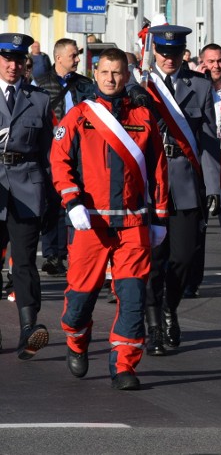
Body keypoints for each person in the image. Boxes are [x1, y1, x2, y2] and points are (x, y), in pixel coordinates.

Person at [50, 48, 169, 390]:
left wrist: (159, 218)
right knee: (79, 301)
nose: (111, 79)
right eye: (105, 72)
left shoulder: (144, 116)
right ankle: (76, 339)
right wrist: (71, 201)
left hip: (133, 225)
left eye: (118, 73)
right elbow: (59, 162)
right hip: (92, 224)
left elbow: (158, 170)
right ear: (96, 73)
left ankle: (124, 365)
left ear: (127, 76)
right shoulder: (79, 116)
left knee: (133, 299)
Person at [141, 25, 220, 356]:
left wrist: (212, 185)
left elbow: (208, 140)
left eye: (175, 53)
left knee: (184, 258)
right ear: (154, 51)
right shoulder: (141, 87)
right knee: (153, 261)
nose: (168, 58)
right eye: (163, 52)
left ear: (184, 53)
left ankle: (170, 306)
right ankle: (155, 324)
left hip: (186, 182)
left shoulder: (198, 86)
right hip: (150, 183)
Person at [0, 32, 55, 360]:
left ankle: (28, 328)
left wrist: (53, 196)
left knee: (24, 262)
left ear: (25, 64)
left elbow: (49, 154)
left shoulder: (39, 99)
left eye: (18, 61)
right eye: (7, 59)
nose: (12, 66)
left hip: (27, 186)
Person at [32, 38, 95, 278]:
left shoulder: (85, 85)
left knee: (76, 200)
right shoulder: (40, 84)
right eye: (73, 56)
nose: (78, 59)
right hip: (51, 151)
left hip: (81, 151)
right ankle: (52, 255)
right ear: (59, 58)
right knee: (52, 203)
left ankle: (72, 252)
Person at [183, 43, 221, 299]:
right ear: (202, 62)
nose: (215, 66)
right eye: (210, 61)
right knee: (198, 228)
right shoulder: (195, 91)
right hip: (202, 164)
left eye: (220, 61)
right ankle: (192, 281)